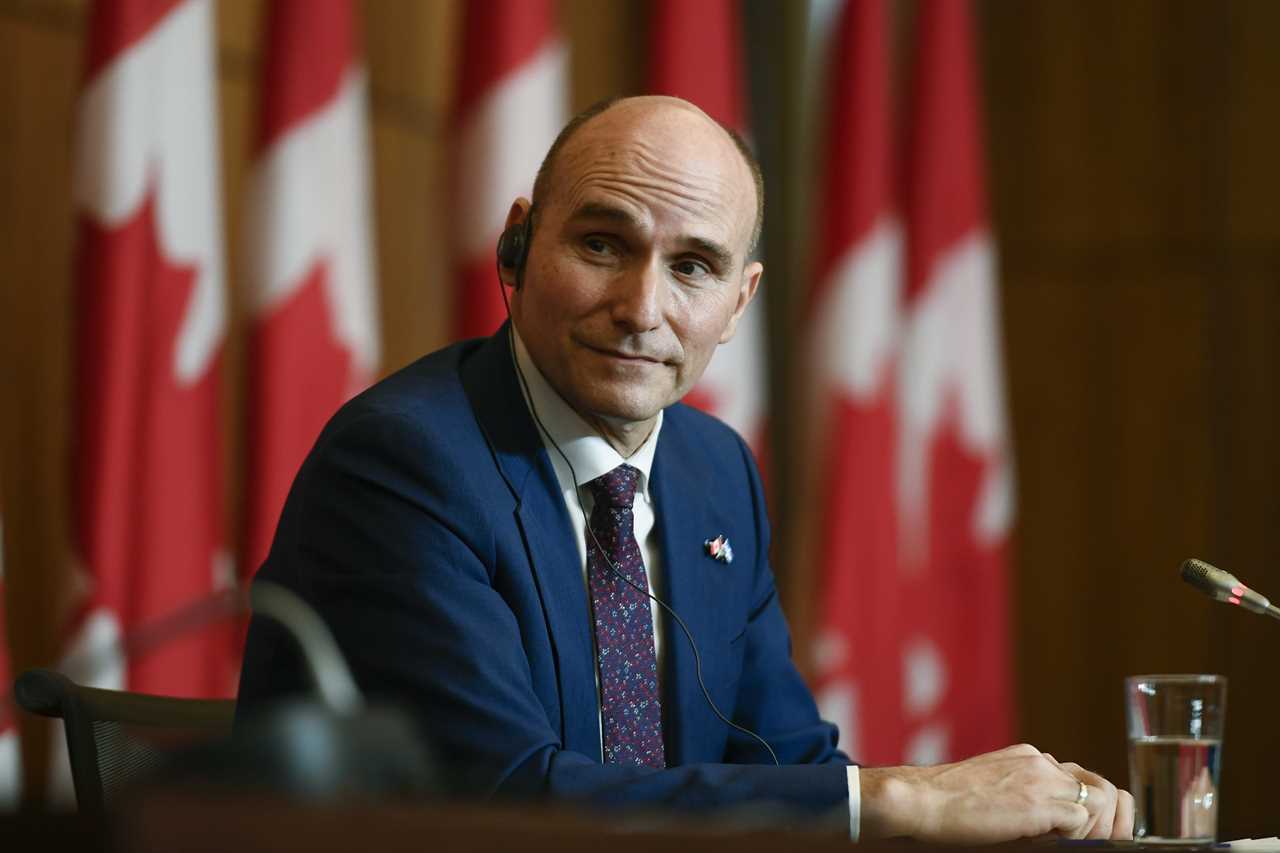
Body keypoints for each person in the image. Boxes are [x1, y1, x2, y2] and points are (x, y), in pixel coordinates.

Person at [237, 95, 1133, 841]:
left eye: (693, 266)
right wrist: (903, 800)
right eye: (601, 245)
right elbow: (507, 800)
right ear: (518, 245)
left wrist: (1031, 815)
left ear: (739, 302)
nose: (641, 309)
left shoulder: (713, 471)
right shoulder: (405, 461)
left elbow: (784, 763)